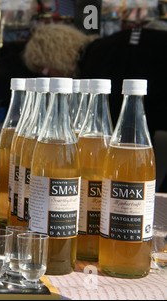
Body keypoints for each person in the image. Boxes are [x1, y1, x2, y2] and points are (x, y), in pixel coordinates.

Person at [23, 22, 167, 190]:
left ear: (55, 59)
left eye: (45, 70)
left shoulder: (98, 67)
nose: (48, 77)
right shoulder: (105, 48)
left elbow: (125, 134)